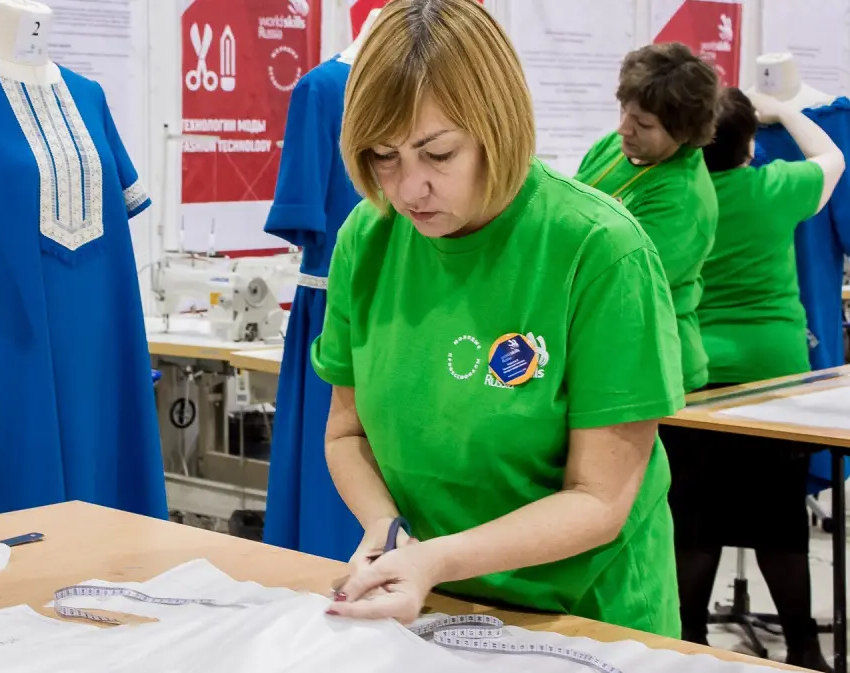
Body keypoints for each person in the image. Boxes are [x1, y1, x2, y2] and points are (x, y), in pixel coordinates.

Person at [315, 0, 685, 636]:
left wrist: (432, 560)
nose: (408, 190)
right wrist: (388, 531)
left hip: (585, 620)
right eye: (383, 156)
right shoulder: (367, 238)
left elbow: (599, 499)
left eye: (438, 154)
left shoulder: (599, 251)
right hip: (434, 609)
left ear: (499, 126)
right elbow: (346, 434)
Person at [667, 86, 844, 670]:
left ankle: (687, 645)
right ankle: (803, 650)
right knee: (779, 526)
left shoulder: (676, 199)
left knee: (692, 523)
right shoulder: (773, 190)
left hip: (694, 382)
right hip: (772, 387)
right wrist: (787, 110)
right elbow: (833, 161)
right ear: (750, 145)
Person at [575, 43, 719, 394]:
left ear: (684, 132)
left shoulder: (684, 199)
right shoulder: (613, 147)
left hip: (654, 367)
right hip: (605, 349)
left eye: (643, 123)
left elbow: (620, 280)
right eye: (624, 111)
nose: (624, 129)